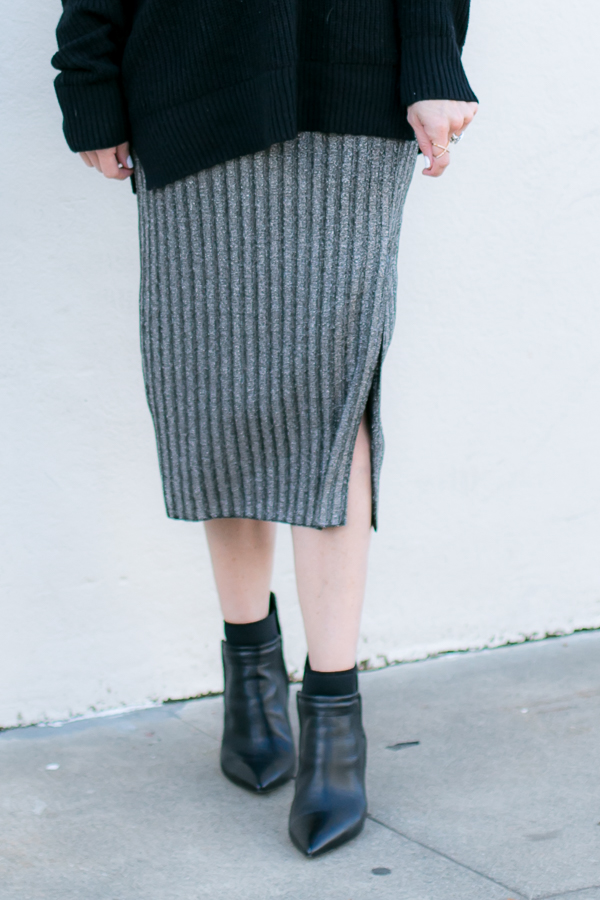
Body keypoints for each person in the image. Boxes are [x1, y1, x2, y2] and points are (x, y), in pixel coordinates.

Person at [52, 0, 478, 858]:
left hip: (349, 80)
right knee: (218, 394)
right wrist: (88, 78)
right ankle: (250, 671)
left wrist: (435, 61)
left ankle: (333, 712)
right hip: (188, 83)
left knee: (331, 402)